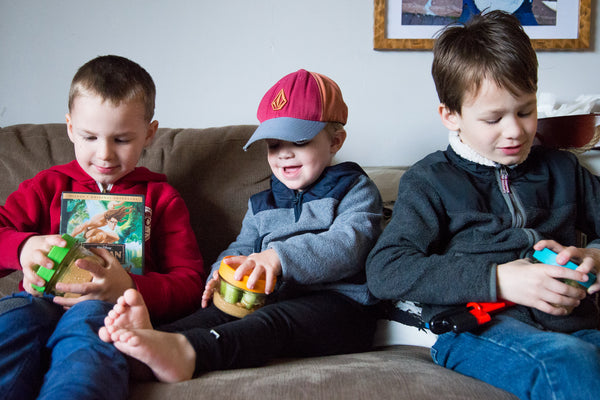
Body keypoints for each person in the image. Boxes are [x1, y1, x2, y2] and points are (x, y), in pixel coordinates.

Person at [366, 10, 600, 400]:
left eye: (525, 111)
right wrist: (501, 279)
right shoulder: (430, 180)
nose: (516, 130)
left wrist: (593, 255)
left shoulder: (563, 169)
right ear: (451, 116)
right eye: (493, 119)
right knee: (569, 364)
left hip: (571, 322)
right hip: (477, 327)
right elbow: (386, 268)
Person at [99, 69, 383, 383]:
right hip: (267, 299)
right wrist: (221, 273)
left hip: (342, 310)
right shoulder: (262, 203)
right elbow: (241, 249)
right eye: (274, 145)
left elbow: (350, 243)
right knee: (215, 315)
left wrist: (277, 257)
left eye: (299, 142)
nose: (284, 153)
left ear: (335, 141)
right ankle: (148, 340)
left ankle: (188, 354)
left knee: (270, 321)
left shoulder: (354, 188)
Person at [0, 55, 205, 400]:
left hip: (106, 314)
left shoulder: (162, 198)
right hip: (36, 301)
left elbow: (189, 284)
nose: (105, 154)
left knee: (88, 349)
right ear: (69, 128)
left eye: (122, 139)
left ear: (149, 134)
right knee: (13, 323)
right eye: (90, 136)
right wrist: (22, 248)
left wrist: (129, 287)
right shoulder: (46, 186)